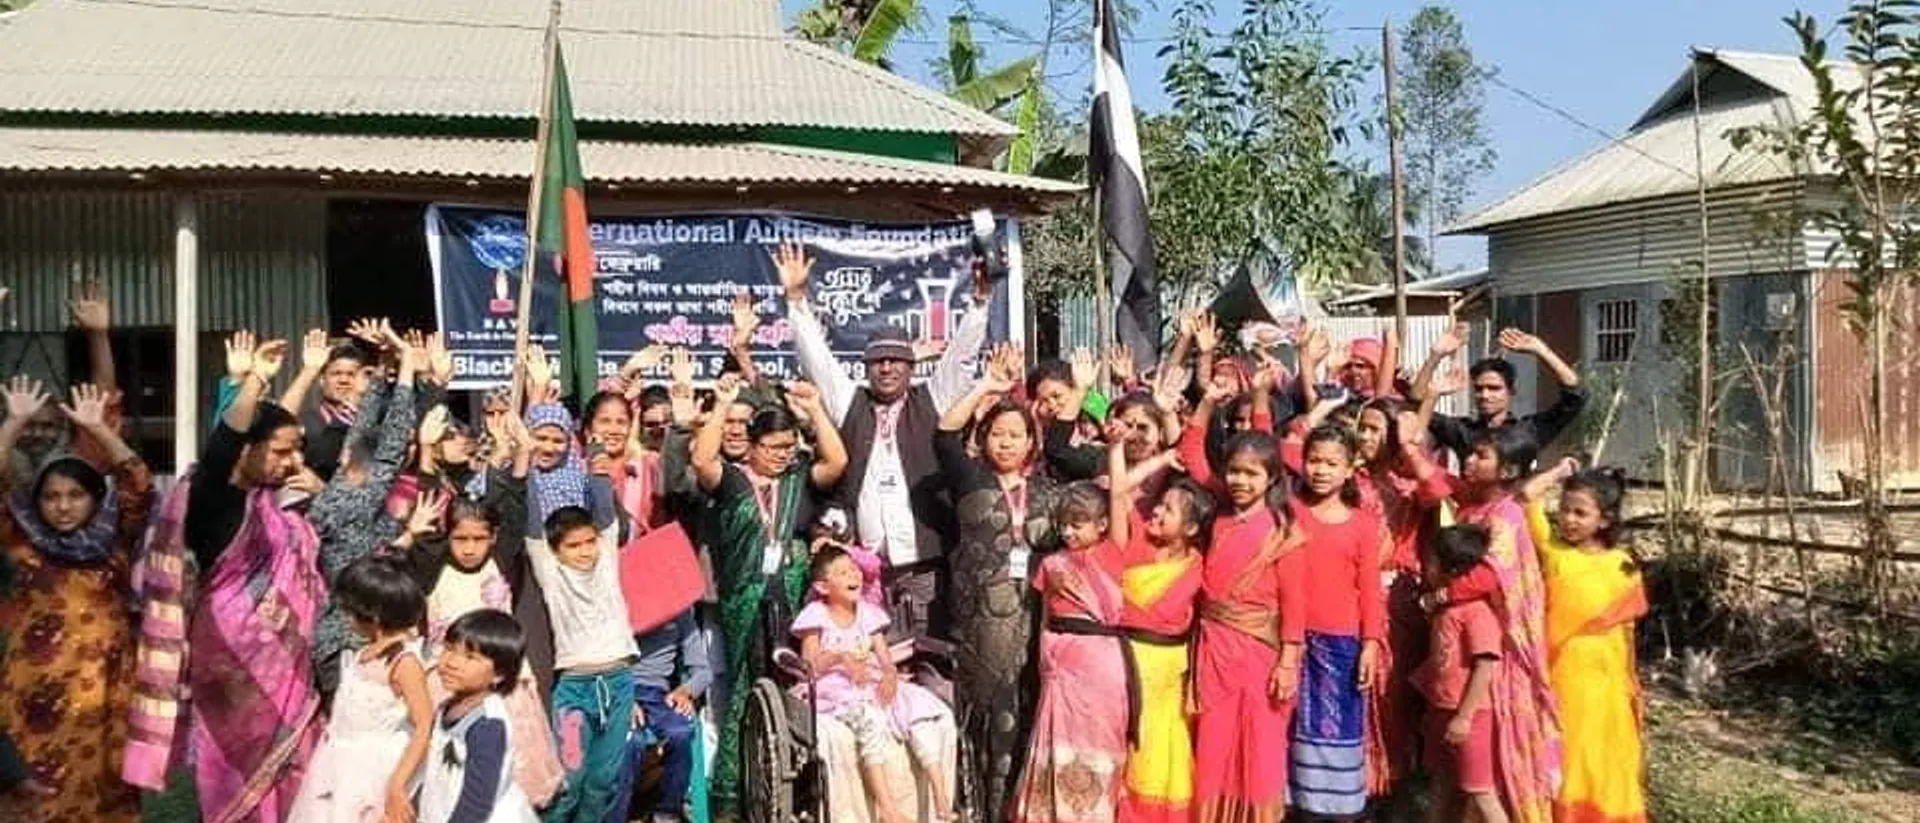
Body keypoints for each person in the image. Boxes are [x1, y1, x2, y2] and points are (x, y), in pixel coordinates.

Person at [125, 332, 329, 823]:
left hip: (286, 658)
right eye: (281, 453)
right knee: (236, 773)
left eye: (297, 451)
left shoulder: (268, 501)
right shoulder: (212, 500)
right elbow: (225, 447)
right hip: (231, 658)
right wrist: (254, 379)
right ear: (246, 451)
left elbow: (270, 427)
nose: (294, 463)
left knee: (296, 772)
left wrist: (305, 374)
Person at [777, 241, 992, 639]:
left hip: (926, 565)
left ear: (911, 367)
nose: (887, 368)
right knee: (874, 659)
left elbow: (960, 359)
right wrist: (796, 301)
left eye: (896, 361)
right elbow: (819, 362)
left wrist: (979, 304)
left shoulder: (931, 401)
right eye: (878, 361)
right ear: (867, 368)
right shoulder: (853, 406)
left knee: (929, 655)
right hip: (865, 568)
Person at [691, 375, 847, 816]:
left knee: (791, 683)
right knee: (745, 687)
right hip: (743, 599)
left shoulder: (798, 479)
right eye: (774, 447)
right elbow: (702, 458)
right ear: (753, 445)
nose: (782, 455)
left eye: (789, 447)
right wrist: (723, 405)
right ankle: (733, 793)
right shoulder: (732, 480)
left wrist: (815, 410)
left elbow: (836, 460)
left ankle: (790, 786)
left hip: (791, 596)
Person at [0, 380, 153, 823]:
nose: (63, 507)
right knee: (34, 792)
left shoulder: (113, 540)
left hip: (104, 686)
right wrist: (14, 423)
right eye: (51, 497)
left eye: (75, 495)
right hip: (33, 690)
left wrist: (99, 430)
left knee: (101, 787)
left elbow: (138, 485)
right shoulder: (20, 540)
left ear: (95, 499)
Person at [932, 353, 1058, 822]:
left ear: (1031, 442)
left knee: (1025, 711)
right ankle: (976, 808)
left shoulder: (1048, 491)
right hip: (979, 624)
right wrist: (985, 384)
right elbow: (945, 434)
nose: (1005, 443)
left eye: (1015, 435)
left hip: (1032, 619)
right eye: (997, 434)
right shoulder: (971, 479)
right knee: (982, 714)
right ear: (984, 438)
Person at [1427, 427, 1562, 823]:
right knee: (1453, 777)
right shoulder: (1473, 509)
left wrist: (1439, 596)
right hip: (1458, 653)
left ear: (1509, 471)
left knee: (1486, 773)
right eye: (1470, 453)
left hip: (1497, 652)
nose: (1469, 460)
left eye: (1481, 455)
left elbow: (1488, 576)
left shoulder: (1506, 515)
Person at [1180, 409, 1306, 823]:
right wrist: (1206, 404)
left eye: (1252, 474)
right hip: (1213, 651)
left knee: (1260, 742)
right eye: (1234, 471)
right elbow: (1193, 456)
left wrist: (1288, 661)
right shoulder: (1219, 516)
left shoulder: (1283, 530)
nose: (1240, 481)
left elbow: (1295, 603)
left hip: (1260, 653)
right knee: (1213, 740)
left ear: (1271, 478)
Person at [403, 492, 564, 809]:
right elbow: (384, 572)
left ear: (494, 537)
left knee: (505, 774)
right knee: (447, 771)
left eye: (479, 538)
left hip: (500, 686)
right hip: (446, 686)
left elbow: (514, 498)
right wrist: (411, 535)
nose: (469, 548)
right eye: (460, 538)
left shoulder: (499, 562)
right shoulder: (432, 572)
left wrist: (517, 463)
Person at [1521, 461, 1648, 823]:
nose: (1568, 519)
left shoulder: (1622, 565)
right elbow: (1527, 496)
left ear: (1604, 520)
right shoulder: (1555, 553)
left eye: (1580, 513)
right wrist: (1559, 473)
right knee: (1567, 757)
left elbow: (1627, 634)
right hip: (1562, 678)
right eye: (1564, 509)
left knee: (1605, 758)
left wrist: (1631, 686)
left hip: (1607, 685)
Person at [793, 548, 954, 823]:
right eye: (843, 573)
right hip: (835, 688)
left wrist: (890, 677)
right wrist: (841, 658)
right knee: (870, 720)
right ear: (823, 587)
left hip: (872, 680)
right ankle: (887, 809)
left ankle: (941, 801)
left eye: (854, 569)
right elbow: (810, 665)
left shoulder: (868, 614)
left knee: (921, 710)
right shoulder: (816, 615)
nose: (853, 575)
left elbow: (885, 659)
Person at [309, 323, 421, 701]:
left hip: (350, 638)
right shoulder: (354, 499)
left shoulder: (342, 485)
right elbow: (391, 442)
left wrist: (384, 368)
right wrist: (407, 365)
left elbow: (361, 431)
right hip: (348, 644)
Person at [1010, 480, 1131, 823]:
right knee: (1057, 737)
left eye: (1077, 524)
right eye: (1063, 524)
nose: (1068, 532)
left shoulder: (1113, 553)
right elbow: (1045, 616)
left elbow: (1119, 495)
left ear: (1102, 524)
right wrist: (1043, 658)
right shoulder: (1052, 564)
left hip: (1103, 663)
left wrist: (1117, 454)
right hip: (1061, 663)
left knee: (1100, 737)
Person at [1284, 426, 1387, 821]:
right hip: (1291, 640)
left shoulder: (1362, 524)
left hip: (1341, 644)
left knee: (1336, 728)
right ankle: (1293, 805)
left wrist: (1371, 643)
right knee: (1289, 725)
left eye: (1331, 463)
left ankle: (1336, 810)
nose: (1321, 470)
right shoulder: (1289, 512)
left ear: (1349, 469)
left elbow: (1370, 589)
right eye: (1314, 461)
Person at [290, 555, 435, 823]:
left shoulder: (404, 663)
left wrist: (397, 784)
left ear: (374, 617)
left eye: (350, 611)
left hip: (373, 772)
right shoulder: (364, 653)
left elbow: (424, 725)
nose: (346, 618)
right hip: (338, 764)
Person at [528, 495, 636, 823]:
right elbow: (532, 527)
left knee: (603, 780)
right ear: (555, 551)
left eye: (590, 542)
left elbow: (604, 511)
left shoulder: (607, 565)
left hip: (618, 685)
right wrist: (522, 467)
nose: (586, 551)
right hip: (575, 690)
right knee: (570, 780)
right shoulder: (552, 574)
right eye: (573, 546)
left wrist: (599, 469)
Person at [1113, 471, 1210, 823]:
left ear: (1191, 528)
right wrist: (1152, 457)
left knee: (1161, 749)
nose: (1156, 511)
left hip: (1169, 678)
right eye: (1159, 504)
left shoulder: (1197, 566)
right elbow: (1119, 492)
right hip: (1124, 666)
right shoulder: (1136, 543)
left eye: (1168, 509)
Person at [1415, 525, 1509, 823]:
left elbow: (1484, 667)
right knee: (1442, 784)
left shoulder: (1477, 613)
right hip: (1443, 710)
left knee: (1481, 791)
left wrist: (1465, 717)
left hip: (1471, 715)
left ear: (1449, 568)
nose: (1425, 566)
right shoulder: (1446, 609)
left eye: (1430, 560)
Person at [419, 609, 542, 823]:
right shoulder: (447, 707)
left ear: (499, 674)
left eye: (470, 657)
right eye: (449, 649)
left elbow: (477, 802)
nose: (451, 662)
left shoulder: (487, 724)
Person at [1413, 326, 1586, 467]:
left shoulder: (1528, 431)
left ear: (1511, 392)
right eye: (1479, 389)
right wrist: (1435, 356)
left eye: (1494, 388)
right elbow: (1416, 405)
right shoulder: (1463, 431)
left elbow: (1576, 396)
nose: (1485, 395)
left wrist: (1542, 351)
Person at [608, 606, 710, 823]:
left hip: (658, 694)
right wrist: (622, 697)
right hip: (619, 687)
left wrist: (686, 691)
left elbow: (703, 671)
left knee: (681, 732)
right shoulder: (614, 604)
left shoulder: (680, 611)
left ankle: (667, 812)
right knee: (632, 741)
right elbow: (598, 663)